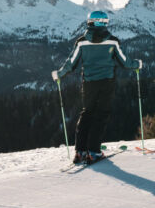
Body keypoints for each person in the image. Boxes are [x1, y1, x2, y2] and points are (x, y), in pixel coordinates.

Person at [53, 10, 141, 164]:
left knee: (87, 114)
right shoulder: (112, 41)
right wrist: (137, 65)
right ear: (105, 23)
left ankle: (80, 151)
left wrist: (60, 74)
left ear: (89, 22)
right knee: (101, 115)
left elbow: (71, 63)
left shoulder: (82, 41)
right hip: (106, 82)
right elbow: (125, 62)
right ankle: (93, 151)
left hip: (89, 83)